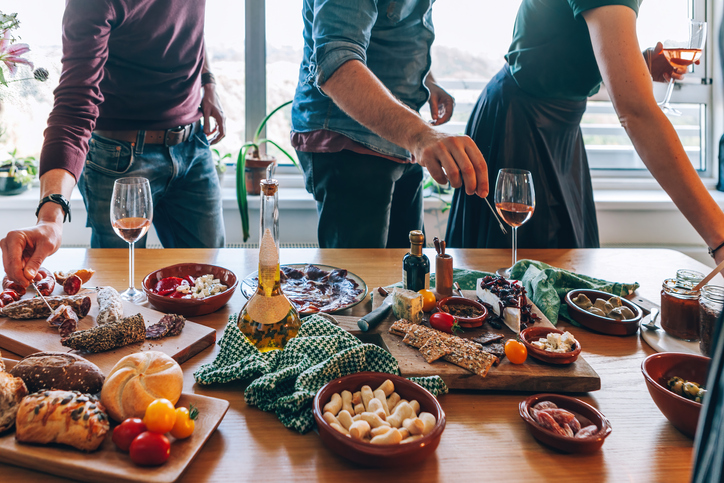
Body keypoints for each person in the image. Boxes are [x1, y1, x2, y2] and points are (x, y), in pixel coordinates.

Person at [445, 0, 724, 265]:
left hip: (562, 130)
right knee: (519, 281)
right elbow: (636, 112)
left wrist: (641, 62)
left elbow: (566, 47)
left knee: (566, 267)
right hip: (518, 126)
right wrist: (721, 239)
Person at [0, 0, 226, 287]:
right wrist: (50, 215)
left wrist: (208, 81)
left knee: (211, 285)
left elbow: (188, 26)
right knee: (118, 292)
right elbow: (74, 109)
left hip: (193, 145)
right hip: (119, 160)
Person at [291, 0, 488, 249]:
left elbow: (392, 29)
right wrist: (422, 135)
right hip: (350, 143)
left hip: (401, 141)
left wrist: (425, 80)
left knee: (408, 278)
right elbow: (336, 63)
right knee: (360, 282)